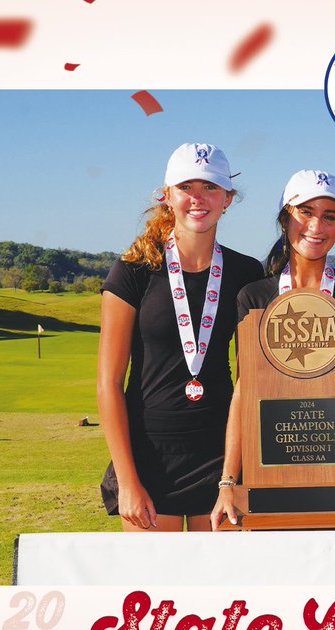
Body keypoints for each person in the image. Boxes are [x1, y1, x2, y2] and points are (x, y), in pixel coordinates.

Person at [210, 169, 335, 529]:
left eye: (329, 216)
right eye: (306, 212)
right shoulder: (254, 298)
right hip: (272, 484)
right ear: (286, 217)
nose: (316, 226)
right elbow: (244, 391)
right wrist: (228, 481)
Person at [98, 142, 264, 532]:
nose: (198, 198)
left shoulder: (246, 272)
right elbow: (107, 383)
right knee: (159, 589)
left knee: (224, 588)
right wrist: (127, 481)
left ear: (228, 198)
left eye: (210, 188)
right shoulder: (133, 270)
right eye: (186, 187)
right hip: (150, 458)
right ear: (167, 195)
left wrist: (235, 473)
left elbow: (251, 380)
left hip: (222, 458)